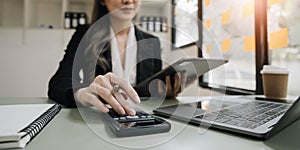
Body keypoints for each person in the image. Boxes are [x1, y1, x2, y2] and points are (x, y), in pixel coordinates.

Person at [48, 0, 184, 116]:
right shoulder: (85, 34)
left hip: (141, 119)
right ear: (102, 0)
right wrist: (80, 94)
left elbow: (151, 91)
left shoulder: (152, 42)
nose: (128, 0)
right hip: (99, 117)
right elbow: (58, 83)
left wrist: (165, 92)